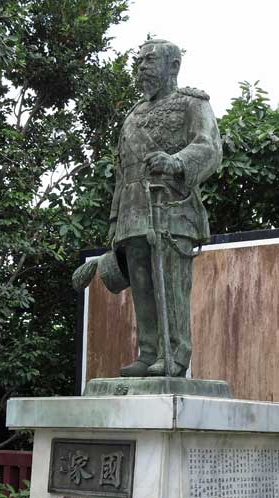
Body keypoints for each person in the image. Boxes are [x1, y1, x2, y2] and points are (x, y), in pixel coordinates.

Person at [108, 38, 222, 378]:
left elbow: (210, 147)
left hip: (173, 210)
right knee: (142, 284)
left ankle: (175, 355)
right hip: (133, 212)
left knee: (169, 284)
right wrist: (115, 223)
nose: (142, 67)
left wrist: (175, 162)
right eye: (139, 61)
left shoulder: (192, 104)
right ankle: (148, 352)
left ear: (173, 66)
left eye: (150, 60)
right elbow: (121, 171)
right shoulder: (132, 116)